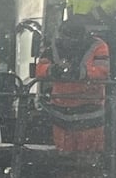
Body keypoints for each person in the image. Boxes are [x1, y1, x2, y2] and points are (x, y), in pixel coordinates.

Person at [35, 21, 111, 153]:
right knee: (64, 154)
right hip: (62, 113)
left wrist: (78, 72)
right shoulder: (53, 47)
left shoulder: (98, 46)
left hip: (88, 111)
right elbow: (40, 70)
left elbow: (102, 72)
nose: (68, 41)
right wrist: (54, 70)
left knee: (88, 154)